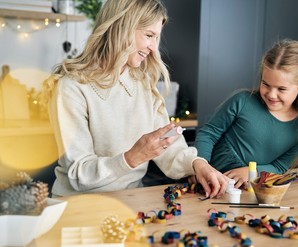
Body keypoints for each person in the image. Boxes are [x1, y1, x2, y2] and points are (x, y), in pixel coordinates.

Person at [43, 0, 228, 197]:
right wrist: (131, 158)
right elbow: (78, 173)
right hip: (81, 205)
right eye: (149, 35)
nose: (153, 48)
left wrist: (198, 164)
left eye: (156, 38)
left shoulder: (143, 82)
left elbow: (169, 145)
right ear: (121, 28)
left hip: (131, 201)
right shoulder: (71, 86)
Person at [192, 39, 298, 188]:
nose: (271, 94)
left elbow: (280, 167)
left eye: (281, 89)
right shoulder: (242, 101)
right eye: (266, 84)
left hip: (248, 191)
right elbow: (208, 134)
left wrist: (252, 172)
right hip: (205, 183)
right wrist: (201, 165)